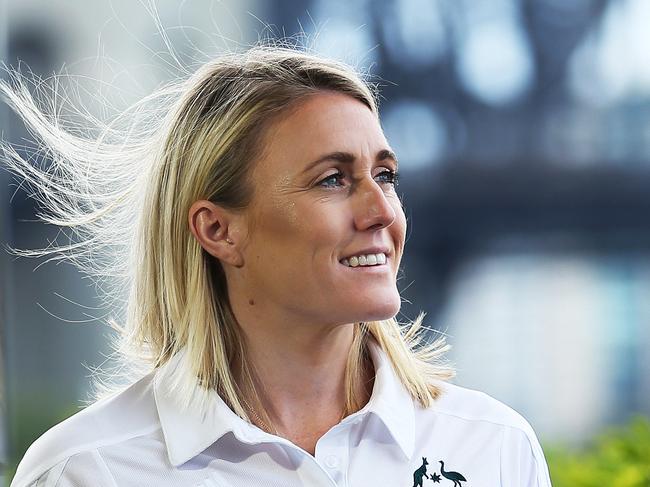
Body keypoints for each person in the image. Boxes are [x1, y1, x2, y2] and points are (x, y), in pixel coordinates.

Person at [4, 45, 553, 486]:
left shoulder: (493, 447)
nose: (382, 211)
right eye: (333, 179)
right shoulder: (85, 470)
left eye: (385, 176)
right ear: (218, 230)